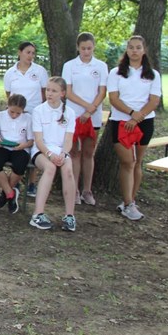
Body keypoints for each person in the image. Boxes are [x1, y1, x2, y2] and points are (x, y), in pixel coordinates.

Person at [106, 35, 162, 221]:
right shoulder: (116, 73)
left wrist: (138, 117)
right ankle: (128, 204)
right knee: (128, 162)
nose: (134, 51)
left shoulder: (153, 74)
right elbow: (113, 98)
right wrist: (131, 114)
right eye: (131, 47)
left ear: (144, 50)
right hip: (121, 121)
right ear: (127, 50)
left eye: (138, 47)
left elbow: (154, 100)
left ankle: (130, 202)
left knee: (138, 162)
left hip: (144, 121)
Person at [62, 32, 108, 206]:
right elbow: (68, 92)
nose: (86, 52)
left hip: (93, 116)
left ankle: (87, 190)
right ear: (78, 48)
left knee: (88, 153)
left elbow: (102, 92)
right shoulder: (69, 66)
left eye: (89, 48)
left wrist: (91, 110)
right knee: (74, 153)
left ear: (94, 47)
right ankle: (74, 190)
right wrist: (85, 106)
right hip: (74, 114)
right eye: (83, 48)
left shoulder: (101, 66)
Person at [28, 77, 77, 231]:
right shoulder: (38, 111)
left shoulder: (69, 112)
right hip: (41, 151)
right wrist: (49, 154)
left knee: (68, 170)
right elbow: (38, 140)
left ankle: (69, 215)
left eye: (54, 91)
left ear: (62, 93)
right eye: (48, 90)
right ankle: (37, 214)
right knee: (50, 168)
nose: (49, 93)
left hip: (60, 151)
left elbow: (68, 140)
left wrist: (64, 153)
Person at [3, 41, 49, 197]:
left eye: (33, 53)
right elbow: (9, 95)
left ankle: (31, 183)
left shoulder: (40, 71)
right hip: (17, 115)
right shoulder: (10, 73)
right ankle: (16, 180)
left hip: (34, 114)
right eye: (28, 52)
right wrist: (17, 110)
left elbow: (44, 93)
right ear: (19, 52)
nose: (31, 56)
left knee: (33, 145)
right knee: (18, 144)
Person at [0, 94, 34, 214]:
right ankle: (10, 193)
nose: (14, 115)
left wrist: (23, 145)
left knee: (20, 165)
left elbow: (31, 140)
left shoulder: (28, 118)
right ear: (8, 106)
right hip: (4, 147)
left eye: (18, 113)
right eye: (12, 112)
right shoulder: (0, 116)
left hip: (21, 148)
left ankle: (5, 193)